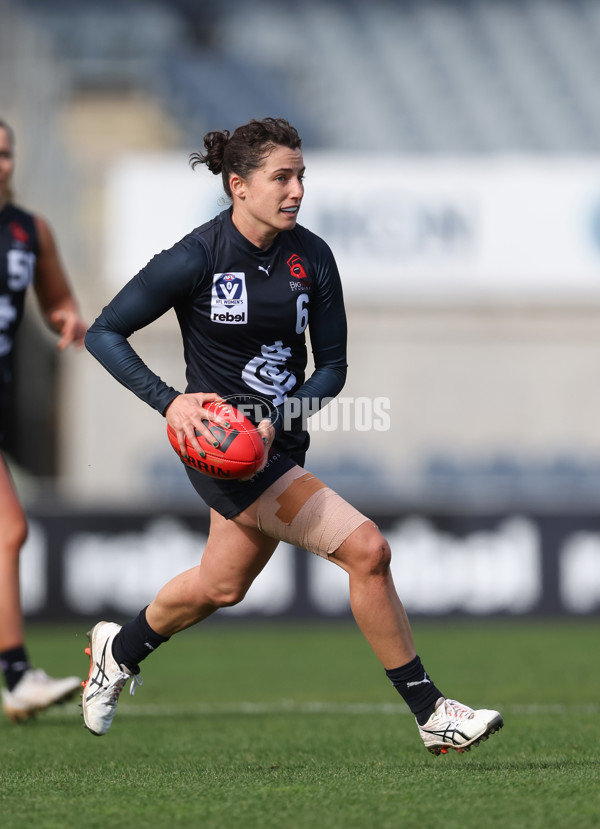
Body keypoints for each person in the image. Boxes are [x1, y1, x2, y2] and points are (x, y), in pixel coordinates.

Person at [82, 117, 503, 754]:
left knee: (221, 585)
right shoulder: (195, 258)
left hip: (280, 441)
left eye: (301, 175)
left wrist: (288, 410)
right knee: (368, 551)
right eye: (281, 177)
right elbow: (104, 333)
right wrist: (170, 404)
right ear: (238, 186)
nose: (297, 190)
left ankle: (122, 648)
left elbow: (331, 368)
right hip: (230, 452)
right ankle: (431, 712)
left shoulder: (314, 256)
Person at [0, 119, 86, 722]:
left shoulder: (30, 231)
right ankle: (15, 676)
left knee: (8, 533)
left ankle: (15, 675)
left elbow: (56, 297)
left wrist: (67, 318)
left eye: (4, 153)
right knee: (7, 532)